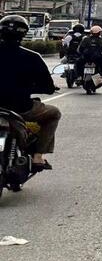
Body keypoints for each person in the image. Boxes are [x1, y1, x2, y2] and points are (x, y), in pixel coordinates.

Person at [0, 13, 58, 171]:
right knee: (54, 113)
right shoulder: (32, 57)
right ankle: (38, 156)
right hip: (21, 107)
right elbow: (48, 86)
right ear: (24, 33)